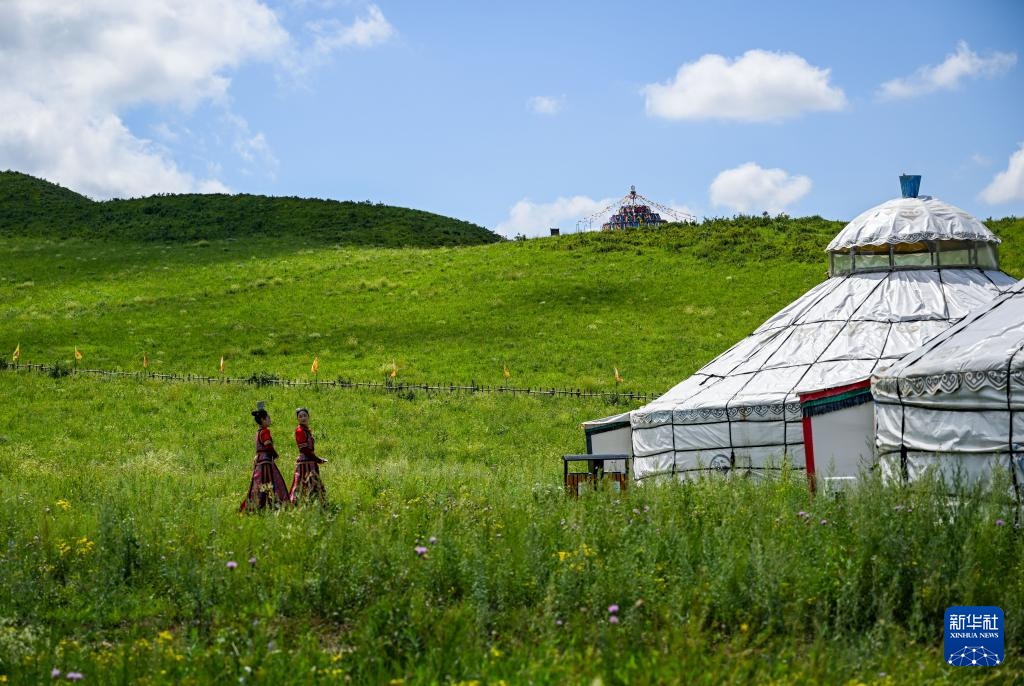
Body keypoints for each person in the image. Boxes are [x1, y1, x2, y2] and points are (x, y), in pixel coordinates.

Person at [240, 403, 290, 512]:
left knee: (258, 483)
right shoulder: (265, 431)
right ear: (263, 420)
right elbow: (268, 445)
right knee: (271, 482)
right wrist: (275, 454)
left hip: (259, 460)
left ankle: (257, 505)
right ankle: (274, 504)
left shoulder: (258, 432)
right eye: (268, 418)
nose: (270, 420)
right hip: (266, 461)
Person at [290, 407, 327, 505]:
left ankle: (316, 503)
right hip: (304, 463)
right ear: (297, 419)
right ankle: (296, 504)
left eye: (304, 415)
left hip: (310, 461)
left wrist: (316, 459)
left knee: (313, 483)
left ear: (308, 417)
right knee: (302, 484)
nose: (303, 418)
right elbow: (304, 449)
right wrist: (317, 459)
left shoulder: (306, 430)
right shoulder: (300, 431)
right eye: (300, 416)